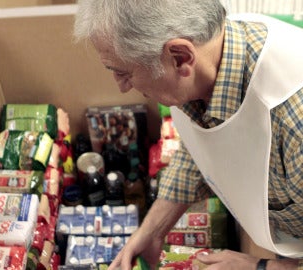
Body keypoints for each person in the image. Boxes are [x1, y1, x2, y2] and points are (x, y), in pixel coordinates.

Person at [73, 1, 303, 269]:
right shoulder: (206, 59)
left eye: (124, 73)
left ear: (180, 57)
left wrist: (259, 266)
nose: (123, 88)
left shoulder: (293, 123)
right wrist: (152, 231)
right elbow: (202, 144)